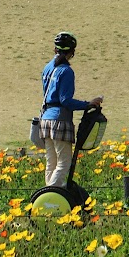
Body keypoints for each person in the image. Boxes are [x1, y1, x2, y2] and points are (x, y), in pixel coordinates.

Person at [40, 31, 103, 187]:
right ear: (72, 52)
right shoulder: (66, 71)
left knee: (51, 162)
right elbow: (65, 100)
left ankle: (47, 199)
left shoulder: (47, 68)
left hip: (45, 119)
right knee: (63, 163)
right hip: (60, 120)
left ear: (55, 49)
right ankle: (52, 196)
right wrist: (87, 104)